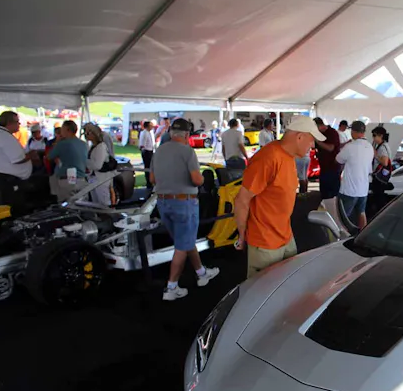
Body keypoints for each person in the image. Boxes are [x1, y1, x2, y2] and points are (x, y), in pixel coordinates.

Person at [234, 116, 325, 278]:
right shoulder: (268, 158)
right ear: (299, 137)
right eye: (311, 140)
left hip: (285, 235)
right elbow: (242, 200)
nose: (312, 145)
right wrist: (242, 235)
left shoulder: (288, 156)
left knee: (288, 280)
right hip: (265, 242)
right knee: (264, 287)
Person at [150, 118, 220, 301]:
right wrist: (203, 180)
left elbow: (152, 179)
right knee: (182, 245)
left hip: (163, 202)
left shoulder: (159, 151)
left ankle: (201, 273)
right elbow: (197, 179)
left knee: (185, 240)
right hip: (184, 203)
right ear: (187, 134)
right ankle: (171, 287)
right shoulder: (188, 151)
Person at [0, 111, 35, 208]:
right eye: (17, 121)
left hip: (4, 178)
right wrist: (31, 155)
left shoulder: (1, 135)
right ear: (9, 123)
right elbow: (18, 159)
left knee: (9, 206)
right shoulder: (5, 137)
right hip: (8, 180)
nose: (19, 124)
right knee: (13, 207)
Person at [336, 121, 374, 228]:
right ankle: (363, 233)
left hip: (349, 189)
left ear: (353, 131)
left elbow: (338, 159)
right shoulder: (369, 147)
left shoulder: (350, 146)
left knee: (344, 217)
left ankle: (343, 235)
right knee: (361, 212)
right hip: (363, 188)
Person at [47, 120, 89, 202]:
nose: (61, 132)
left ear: (68, 130)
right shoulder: (83, 144)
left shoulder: (62, 144)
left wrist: (57, 141)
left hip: (67, 180)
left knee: (66, 204)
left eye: (62, 129)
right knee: (81, 204)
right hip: (81, 179)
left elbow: (49, 156)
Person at [84, 124, 113, 206]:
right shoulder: (93, 146)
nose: (86, 135)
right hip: (93, 178)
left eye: (88, 133)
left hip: (101, 179)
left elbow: (97, 165)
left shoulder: (101, 147)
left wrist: (86, 162)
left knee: (103, 203)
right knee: (95, 203)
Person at [138, 121, 155, 189]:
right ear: (147, 126)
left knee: (151, 167)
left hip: (150, 150)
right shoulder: (144, 133)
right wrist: (144, 150)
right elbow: (142, 144)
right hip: (146, 151)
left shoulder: (150, 132)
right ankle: (148, 183)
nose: (152, 126)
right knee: (147, 167)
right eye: (151, 125)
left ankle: (151, 181)